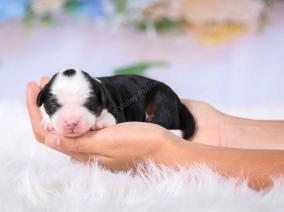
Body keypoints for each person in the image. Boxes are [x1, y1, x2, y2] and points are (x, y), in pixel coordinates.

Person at [26, 77, 284, 191]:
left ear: (99, 97)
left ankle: (174, 126)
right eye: (56, 106)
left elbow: (112, 117)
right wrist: (222, 131)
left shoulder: (106, 96)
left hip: (156, 94)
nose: (71, 120)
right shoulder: (89, 92)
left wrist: (166, 150)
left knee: (160, 106)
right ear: (45, 100)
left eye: (86, 105)